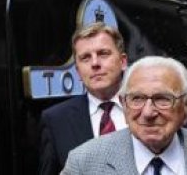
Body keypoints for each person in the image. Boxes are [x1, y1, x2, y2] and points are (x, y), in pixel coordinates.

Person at [61, 56, 187, 174]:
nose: (148, 113)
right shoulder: (83, 164)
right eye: (137, 99)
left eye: (162, 99)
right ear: (123, 104)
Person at [38, 22, 128, 174]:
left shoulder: (148, 108)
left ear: (123, 61)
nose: (95, 63)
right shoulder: (56, 120)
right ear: (78, 71)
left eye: (103, 54)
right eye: (85, 58)